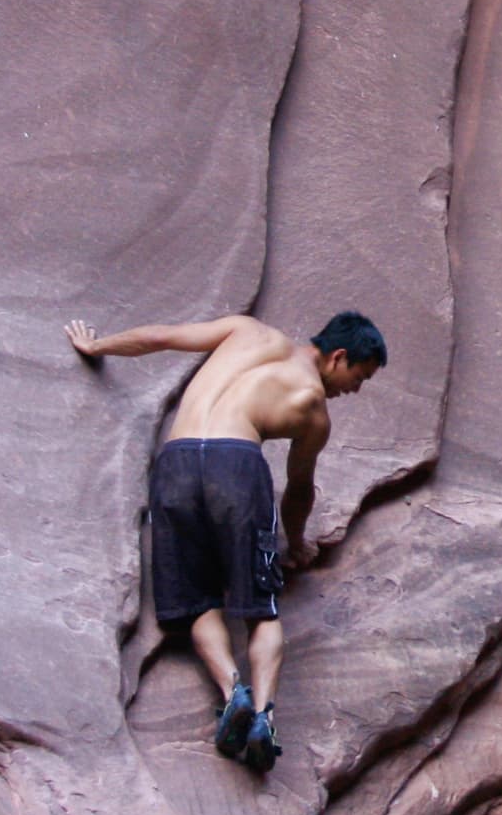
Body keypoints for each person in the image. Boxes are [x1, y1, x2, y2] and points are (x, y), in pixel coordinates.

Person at [65, 310, 385, 774]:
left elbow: (163, 333)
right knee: (260, 606)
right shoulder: (313, 405)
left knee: (196, 600)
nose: (354, 388)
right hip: (235, 465)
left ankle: (231, 690)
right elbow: (298, 490)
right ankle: (263, 717)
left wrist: (100, 346)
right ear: (338, 357)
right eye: (359, 376)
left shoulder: (246, 330)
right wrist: (294, 544)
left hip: (174, 462)